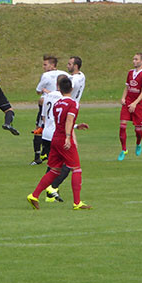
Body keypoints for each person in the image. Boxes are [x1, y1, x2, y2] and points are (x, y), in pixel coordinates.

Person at [27, 77, 92, 210]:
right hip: (63, 138)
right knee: (76, 169)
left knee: (55, 170)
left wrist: (76, 126)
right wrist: (68, 137)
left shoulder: (57, 104)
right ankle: (77, 202)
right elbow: (68, 121)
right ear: (72, 89)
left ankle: (34, 195)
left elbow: (60, 122)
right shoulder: (73, 104)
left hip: (55, 137)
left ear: (59, 89)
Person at [45, 56, 87, 202]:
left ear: (75, 66)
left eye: (69, 64)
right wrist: (70, 133)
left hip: (54, 127)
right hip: (63, 127)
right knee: (70, 163)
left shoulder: (68, 85)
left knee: (56, 164)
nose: (67, 65)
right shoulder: (80, 79)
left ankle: (46, 191)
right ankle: (52, 189)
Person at [31, 55, 70, 165]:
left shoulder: (46, 75)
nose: (43, 67)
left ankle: (38, 156)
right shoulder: (65, 74)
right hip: (62, 106)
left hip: (47, 105)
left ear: (52, 65)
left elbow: (38, 90)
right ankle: (57, 155)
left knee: (39, 129)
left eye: (45, 64)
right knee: (60, 127)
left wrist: (46, 92)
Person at [118, 53, 142, 161]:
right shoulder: (130, 72)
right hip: (128, 102)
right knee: (122, 126)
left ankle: (138, 143)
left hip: (139, 105)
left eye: (136, 59)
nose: (134, 61)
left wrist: (135, 103)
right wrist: (123, 98)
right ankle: (123, 149)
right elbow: (127, 87)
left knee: (137, 129)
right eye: (133, 59)